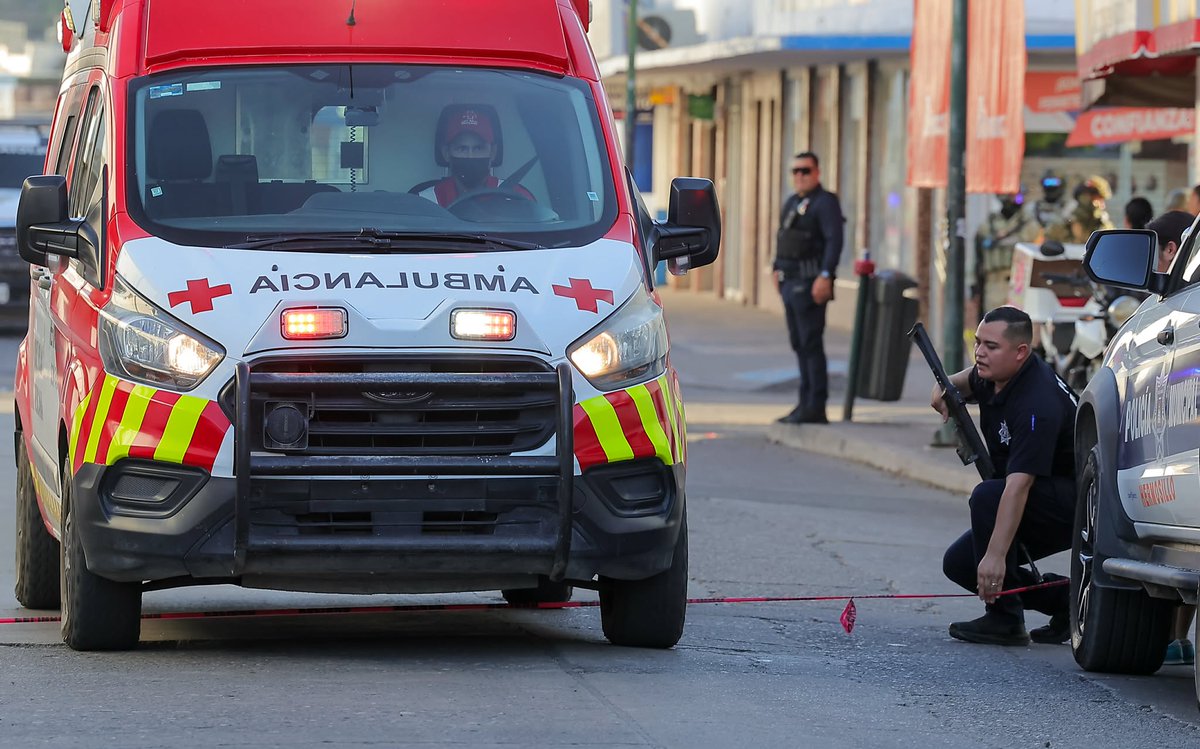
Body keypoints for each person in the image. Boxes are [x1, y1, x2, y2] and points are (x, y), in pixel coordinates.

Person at [934, 306, 1078, 646]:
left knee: (988, 498)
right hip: (1031, 491)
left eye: (991, 346)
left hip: (1071, 503)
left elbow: (1018, 486)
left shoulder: (1036, 404)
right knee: (960, 564)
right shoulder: (995, 374)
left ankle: (1005, 619)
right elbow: (959, 381)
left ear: (1021, 352)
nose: (980, 353)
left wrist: (997, 556)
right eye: (978, 342)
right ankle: (1065, 601)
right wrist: (940, 390)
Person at [774, 151, 845, 425]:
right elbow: (783, 237)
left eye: (805, 170)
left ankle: (816, 405)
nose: (800, 176)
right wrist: (775, 268)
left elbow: (834, 241)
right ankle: (804, 403)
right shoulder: (793, 202)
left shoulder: (825, 203)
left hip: (810, 282)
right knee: (799, 344)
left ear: (817, 173)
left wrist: (826, 275)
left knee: (811, 343)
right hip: (789, 282)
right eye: (795, 171)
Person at [417, 105, 531, 207]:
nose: (470, 156)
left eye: (478, 148)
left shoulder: (517, 198)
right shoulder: (425, 202)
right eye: (462, 148)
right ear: (446, 153)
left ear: (493, 152)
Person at [975, 193, 1029, 312]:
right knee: (994, 321)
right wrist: (973, 282)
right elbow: (978, 258)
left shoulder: (1028, 224)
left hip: (1021, 282)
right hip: (995, 280)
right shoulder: (988, 225)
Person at [1044, 175, 1113, 243]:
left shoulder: (1102, 223)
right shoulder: (1063, 221)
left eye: (1101, 200)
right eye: (1098, 200)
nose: (1102, 205)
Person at [1022, 170, 1073, 241]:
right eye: (1048, 184)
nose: (1051, 190)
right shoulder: (1031, 208)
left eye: (1055, 185)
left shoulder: (1070, 207)